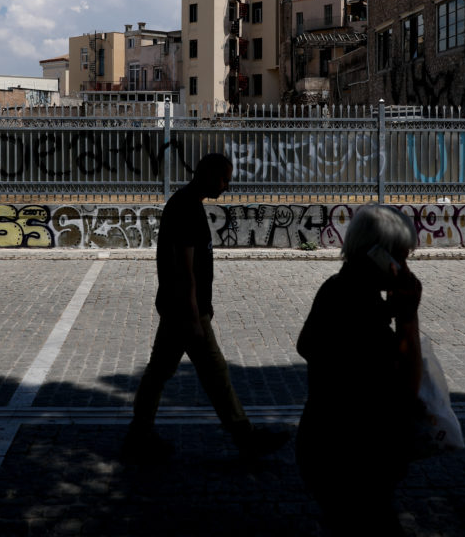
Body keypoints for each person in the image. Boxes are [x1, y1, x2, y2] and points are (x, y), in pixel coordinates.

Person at [123, 152, 290, 462]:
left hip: (181, 309)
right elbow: (184, 268)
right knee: (214, 374)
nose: (227, 185)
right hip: (186, 312)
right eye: (224, 178)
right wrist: (194, 316)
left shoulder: (186, 203)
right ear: (209, 175)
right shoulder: (186, 208)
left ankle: (139, 435)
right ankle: (245, 438)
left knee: (160, 372)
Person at [295, 204, 424, 536]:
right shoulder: (359, 306)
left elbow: (307, 346)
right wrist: (408, 317)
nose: (405, 266)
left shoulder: (336, 289)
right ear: (378, 254)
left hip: (325, 448)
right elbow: (407, 384)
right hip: (353, 457)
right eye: (401, 256)